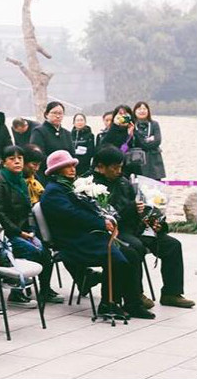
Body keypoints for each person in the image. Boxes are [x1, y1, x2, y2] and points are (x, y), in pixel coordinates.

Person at [39, 150, 154, 319]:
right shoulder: (54, 191)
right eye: (66, 166)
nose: (72, 169)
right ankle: (108, 303)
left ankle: (132, 303)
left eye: (72, 165)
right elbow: (71, 215)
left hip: (88, 235)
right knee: (118, 258)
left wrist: (105, 216)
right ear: (57, 170)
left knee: (132, 254)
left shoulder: (69, 186)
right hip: (74, 240)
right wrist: (101, 222)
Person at [91, 146, 193, 309]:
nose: (118, 171)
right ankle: (136, 293)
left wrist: (153, 219)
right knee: (135, 247)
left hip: (135, 228)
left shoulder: (123, 182)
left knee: (172, 245)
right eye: (114, 168)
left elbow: (138, 204)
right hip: (117, 232)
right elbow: (105, 215)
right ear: (101, 167)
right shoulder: (92, 186)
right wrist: (131, 209)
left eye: (120, 167)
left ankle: (171, 293)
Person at [0, 146, 63, 306]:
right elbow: (0, 215)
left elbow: (27, 210)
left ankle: (45, 290)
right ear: (3, 162)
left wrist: (30, 231)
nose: (17, 162)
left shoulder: (21, 180)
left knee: (45, 252)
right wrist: (20, 233)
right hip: (5, 235)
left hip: (22, 230)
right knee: (32, 251)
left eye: (20, 158)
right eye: (12, 159)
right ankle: (17, 292)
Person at [30, 101, 74, 184]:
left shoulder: (67, 133)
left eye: (60, 113)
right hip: (46, 176)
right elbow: (38, 155)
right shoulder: (39, 132)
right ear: (46, 114)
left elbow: (72, 154)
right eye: (54, 113)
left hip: (65, 176)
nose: (58, 116)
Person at [132, 101, 166, 180]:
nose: (142, 111)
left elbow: (157, 141)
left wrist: (143, 143)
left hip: (153, 158)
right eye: (139, 109)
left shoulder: (154, 124)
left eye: (144, 109)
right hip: (137, 158)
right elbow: (134, 143)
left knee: (155, 184)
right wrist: (147, 140)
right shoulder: (132, 125)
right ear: (134, 111)